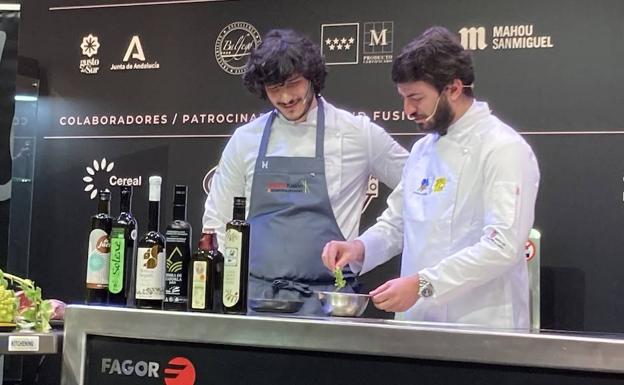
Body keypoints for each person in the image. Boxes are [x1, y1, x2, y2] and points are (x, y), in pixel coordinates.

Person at [322, 26, 540, 329]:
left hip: (482, 326)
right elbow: (397, 224)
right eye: (404, 98)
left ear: (453, 88)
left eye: (416, 98)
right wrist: (359, 248)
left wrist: (424, 284)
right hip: (418, 322)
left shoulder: (503, 148)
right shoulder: (423, 150)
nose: (407, 110)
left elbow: (502, 245)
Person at [202, 29, 408, 315]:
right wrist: (234, 285)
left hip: (329, 303)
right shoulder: (245, 139)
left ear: (312, 78)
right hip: (255, 302)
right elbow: (218, 218)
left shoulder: (357, 134)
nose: (286, 97)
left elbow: (419, 187)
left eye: (293, 84)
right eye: (274, 89)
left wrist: (367, 246)